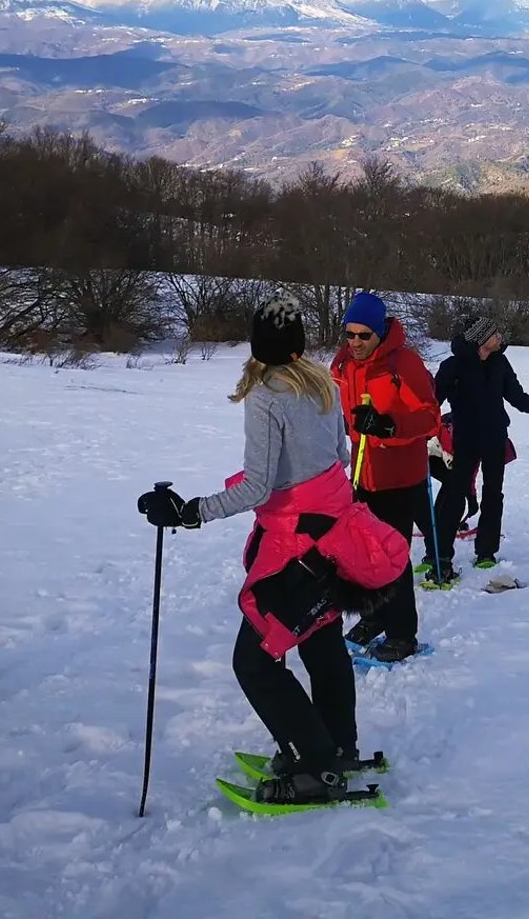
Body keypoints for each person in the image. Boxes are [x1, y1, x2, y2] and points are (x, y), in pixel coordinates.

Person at [138, 294, 409, 804]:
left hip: (299, 548)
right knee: (322, 644)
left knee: (255, 661)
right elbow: (337, 456)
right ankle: (336, 746)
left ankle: (317, 764)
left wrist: (191, 511)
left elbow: (258, 488)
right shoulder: (322, 380)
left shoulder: (268, 394)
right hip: (334, 536)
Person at [329, 291, 440, 662]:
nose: (355, 343)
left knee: (393, 555)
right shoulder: (343, 364)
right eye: (350, 334)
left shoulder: (403, 363)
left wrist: (389, 426)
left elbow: (430, 417)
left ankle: (402, 632)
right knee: (361, 552)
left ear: (379, 332)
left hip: (399, 477)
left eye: (364, 335)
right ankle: (374, 617)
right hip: (361, 475)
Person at [433, 314, 529, 573]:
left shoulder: (500, 363)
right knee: (455, 494)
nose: (499, 336)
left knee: (494, 493)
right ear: (481, 339)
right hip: (465, 439)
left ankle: (486, 551)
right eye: (494, 333)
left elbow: (518, 397)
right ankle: (440, 554)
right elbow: (431, 401)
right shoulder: (453, 366)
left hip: (495, 438)